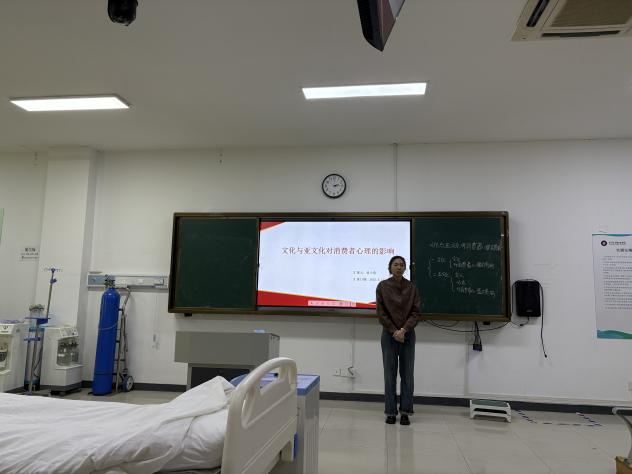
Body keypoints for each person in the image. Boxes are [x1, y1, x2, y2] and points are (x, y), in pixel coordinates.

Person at [376, 255, 420, 425]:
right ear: (390, 267)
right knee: (390, 374)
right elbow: (381, 313)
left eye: (402, 265)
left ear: (405, 268)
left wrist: (404, 330)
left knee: (407, 374)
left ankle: (405, 411)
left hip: (408, 334)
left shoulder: (412, 287)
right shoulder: (382, 286)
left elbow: (416, 312)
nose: (399, 267)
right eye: (396, 264)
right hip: (389, 335)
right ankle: (390, 412)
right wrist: (394, 331)